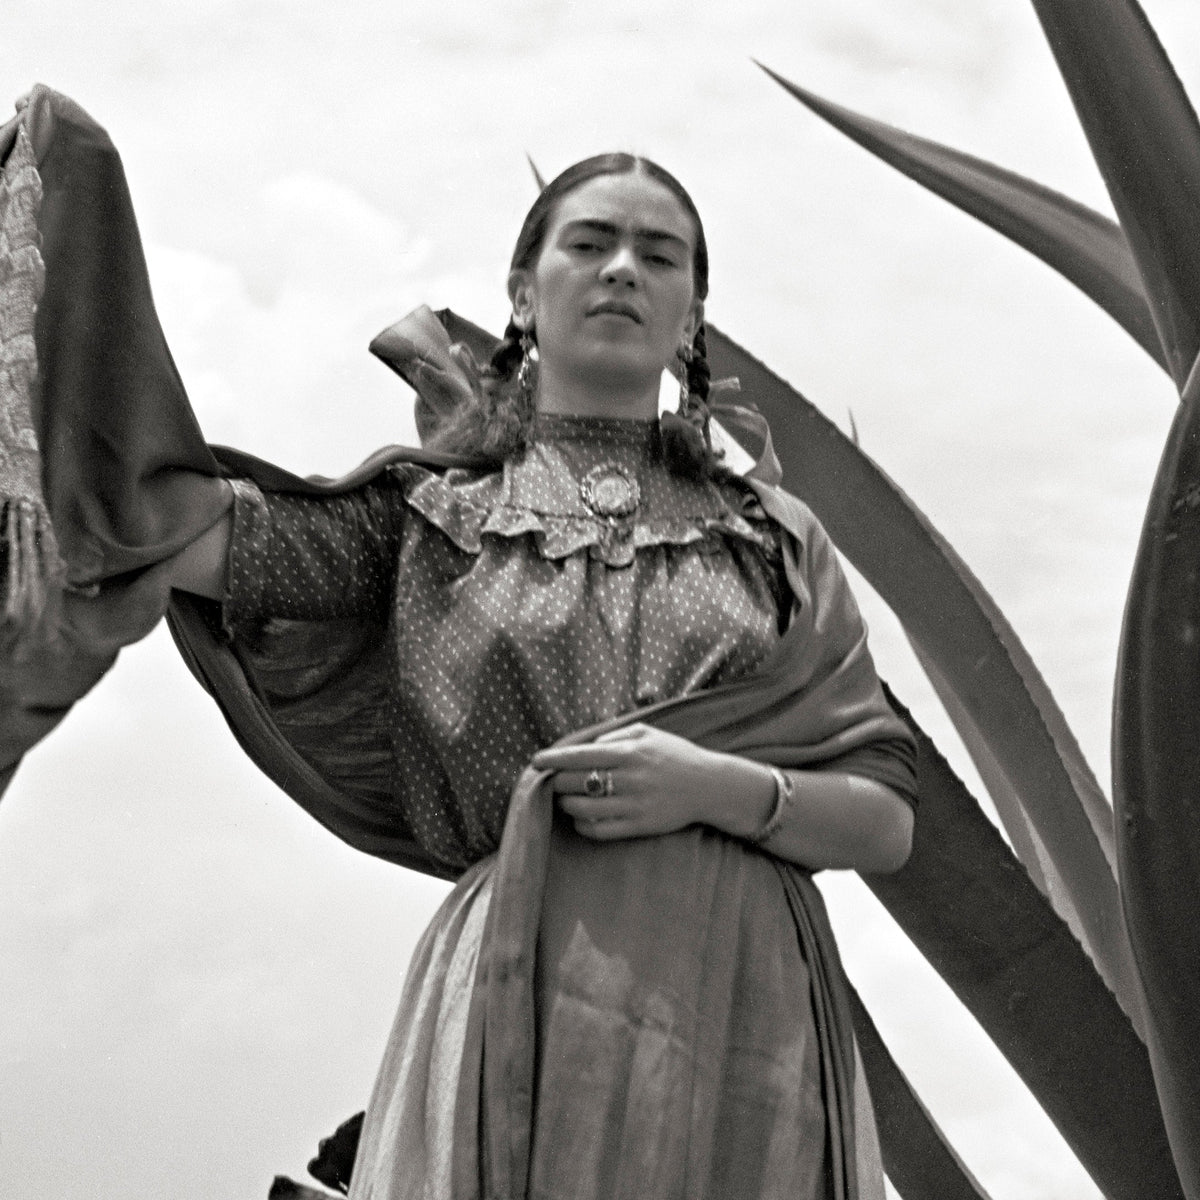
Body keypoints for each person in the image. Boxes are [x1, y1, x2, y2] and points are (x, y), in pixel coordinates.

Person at [3, 97, 916, 1198]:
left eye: (658, 255)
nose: (623, 268)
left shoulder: (772, 539)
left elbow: (881, 815)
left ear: (690, 315)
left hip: (749, 1006)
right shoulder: (430, 522)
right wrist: (62, 216)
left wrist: (710, 788)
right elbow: (169, 529)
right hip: (517, 987)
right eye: (589, 244)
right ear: (526, 295)